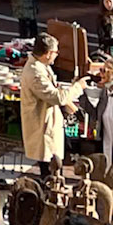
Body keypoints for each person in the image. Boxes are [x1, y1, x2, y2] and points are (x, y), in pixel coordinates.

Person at [19, 35, 75, 176]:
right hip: (43, 126)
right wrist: (77, 88)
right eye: (56, 52)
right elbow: (57, 98)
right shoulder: (35, 72)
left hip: (50, 124)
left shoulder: (41, 66)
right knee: (50, 174)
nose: (57, 55)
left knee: (55, 169)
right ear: (48, 53)